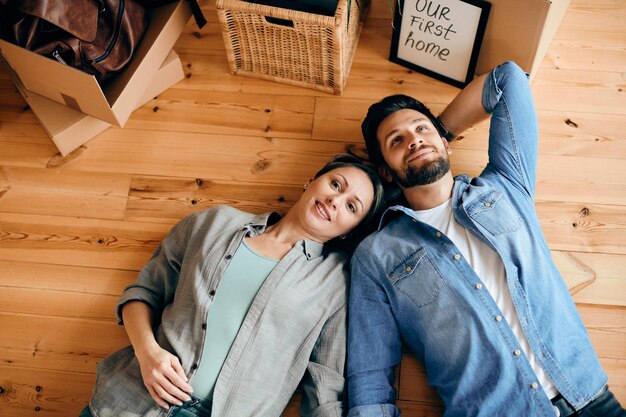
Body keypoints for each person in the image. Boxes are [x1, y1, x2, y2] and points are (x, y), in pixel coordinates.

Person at [347, 62, 626, 417]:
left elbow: (508, 79)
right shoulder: (376, 255)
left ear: (446, 146)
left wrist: (440, 130)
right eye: (397, 140)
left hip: (592, 401)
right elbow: (369, 374)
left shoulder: (507, 185)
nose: (414, 139)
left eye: (421, 129)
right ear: (386, 171)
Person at [80, 154, 385, 417]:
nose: (335, 200)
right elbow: (144, 292)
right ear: (311, 181)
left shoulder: (335, 281)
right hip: (131, 399)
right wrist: (149, 354)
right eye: (335, 185)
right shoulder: (214, 222)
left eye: (351, 207)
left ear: (350, 230)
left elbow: (325, 384)